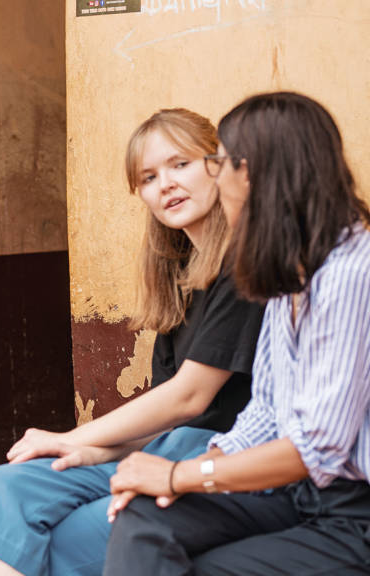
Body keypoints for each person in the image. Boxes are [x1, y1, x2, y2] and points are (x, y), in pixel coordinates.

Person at [0, 109, 265, 576]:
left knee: (62, 540)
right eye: (148, 176)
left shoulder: (246, 264)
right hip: (163, 449)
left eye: (179, 164)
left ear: (216, 164)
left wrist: (71, 437)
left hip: (222, 457)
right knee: (3, 489)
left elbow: (189, 398)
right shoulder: (178, 282)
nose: (165, 184)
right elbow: (163, 420)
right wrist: (95, 451)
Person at [105, 92, 370, 575]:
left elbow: (317, 447)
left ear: (253, 174)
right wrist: (180, 476)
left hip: (353, 513)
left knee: (209, 566)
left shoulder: (352, 270)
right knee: (146, 517)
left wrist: (181, 475)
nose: (213, 174)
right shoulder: (287, 273)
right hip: (296, 494)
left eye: (218, 162)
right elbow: (266, 411)